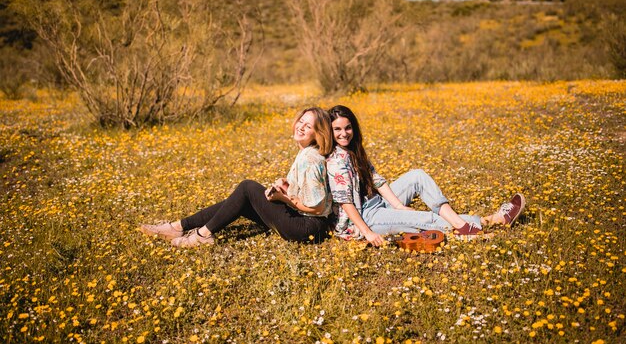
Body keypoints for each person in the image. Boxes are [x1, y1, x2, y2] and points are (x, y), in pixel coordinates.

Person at [326, 105, 525, 246]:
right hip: (364, 218)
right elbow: (346, 203)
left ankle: (459, 223)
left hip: (376, 203)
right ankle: (490, 221)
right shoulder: (336, 161)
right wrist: (368, 233)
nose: (344, 133)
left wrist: (399, 206)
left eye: (348, 127)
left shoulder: (354, 150)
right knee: (425, 219)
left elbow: (376, 180)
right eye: (337, 129)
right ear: (329, 131)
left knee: (417, 176)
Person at [139, 107, 334, 247]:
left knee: (247, 187)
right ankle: (178, 227)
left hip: (306, 228)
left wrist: (282, 198)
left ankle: (202, 234)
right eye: (301, 121)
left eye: (308, 126)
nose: (301, 127)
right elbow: (306, 192)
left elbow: (316, 207)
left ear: (318, 134)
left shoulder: (310, 158)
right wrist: (286, 186)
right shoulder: (307, 152)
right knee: (240, 200)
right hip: (300, 221)